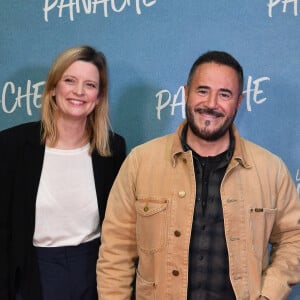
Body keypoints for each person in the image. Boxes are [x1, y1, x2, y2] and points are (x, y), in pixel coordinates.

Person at [97, 50, 300, 300]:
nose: (211, 104)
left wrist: (269, 293)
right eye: (202, 91)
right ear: (185, 93)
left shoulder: (271, 170)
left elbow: (294, 238)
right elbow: (115, 253)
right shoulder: (141, 162)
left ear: (239, 102)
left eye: (224, 94)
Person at [0, 45, 126, 300]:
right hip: (33, 272)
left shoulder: (112, 149)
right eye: (70, 80)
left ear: (99, 96)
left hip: (95, 272)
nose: (79, 91)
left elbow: (119, 227)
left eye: (90, 85)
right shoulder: (11, 145)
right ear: (53, 88)